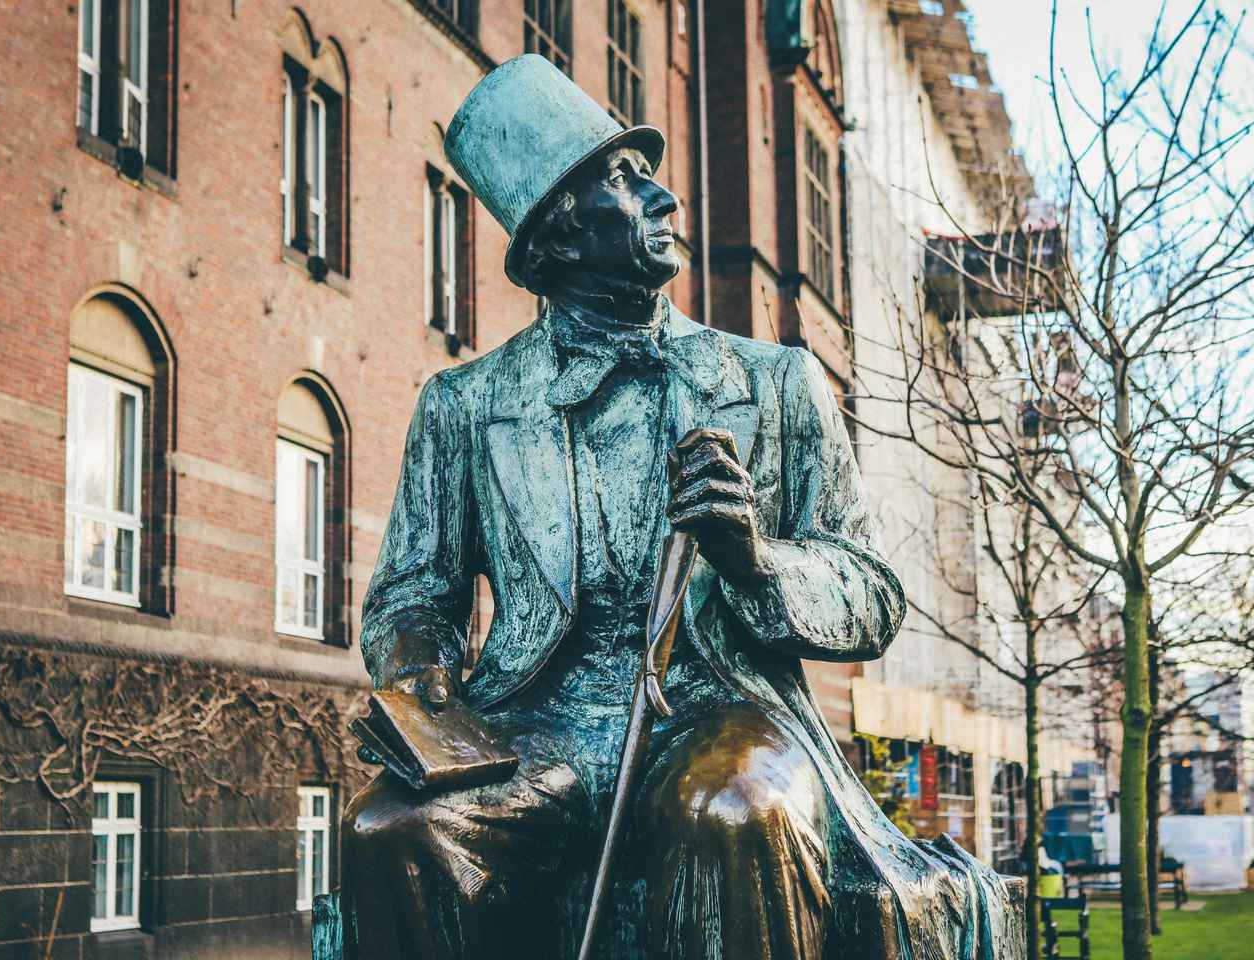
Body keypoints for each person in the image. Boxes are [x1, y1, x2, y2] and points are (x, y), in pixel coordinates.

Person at [340, 55, 1020, 960]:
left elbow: (871, 595)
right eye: (624, 180)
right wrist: (419, 665)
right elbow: (410, 592)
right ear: (558, 235)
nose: (665, 199)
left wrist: (755, 559)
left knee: (733, 802)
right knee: (391, 828)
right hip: (531, 728)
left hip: (719, 709)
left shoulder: (777, 383)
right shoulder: (464, 405)